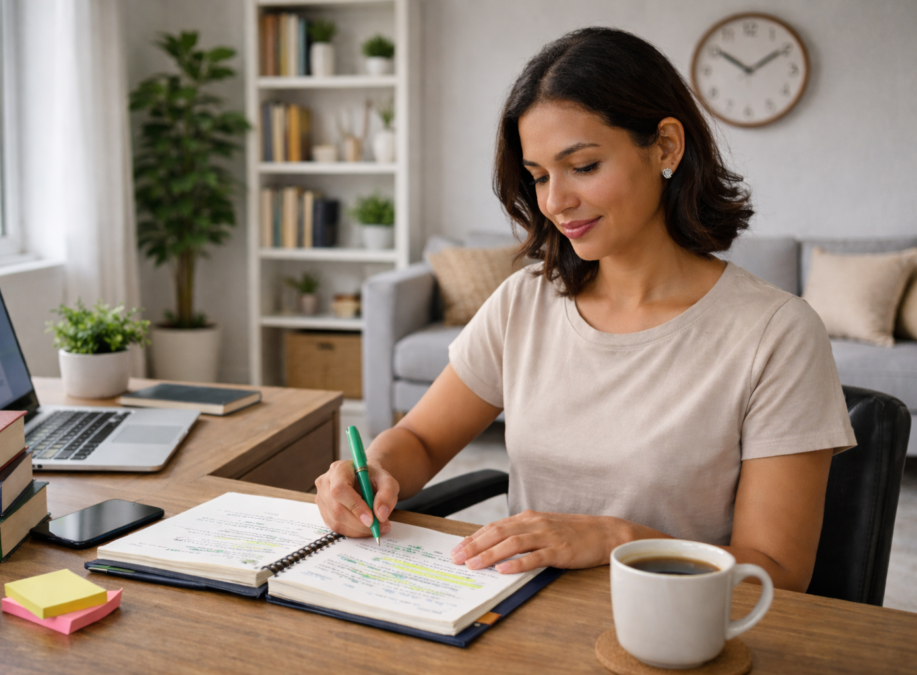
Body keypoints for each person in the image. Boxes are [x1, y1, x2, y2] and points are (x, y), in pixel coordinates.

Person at [314, 27, 856, 592]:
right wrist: (373, 469)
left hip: (670, 628)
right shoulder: (524, 301)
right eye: (539, 176)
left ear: (666, 146)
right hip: (517, 610)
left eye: (584, 166)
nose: (555, 201)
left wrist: (617, 540)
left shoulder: (776, 332)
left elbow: (779, 574)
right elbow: (421, 440)